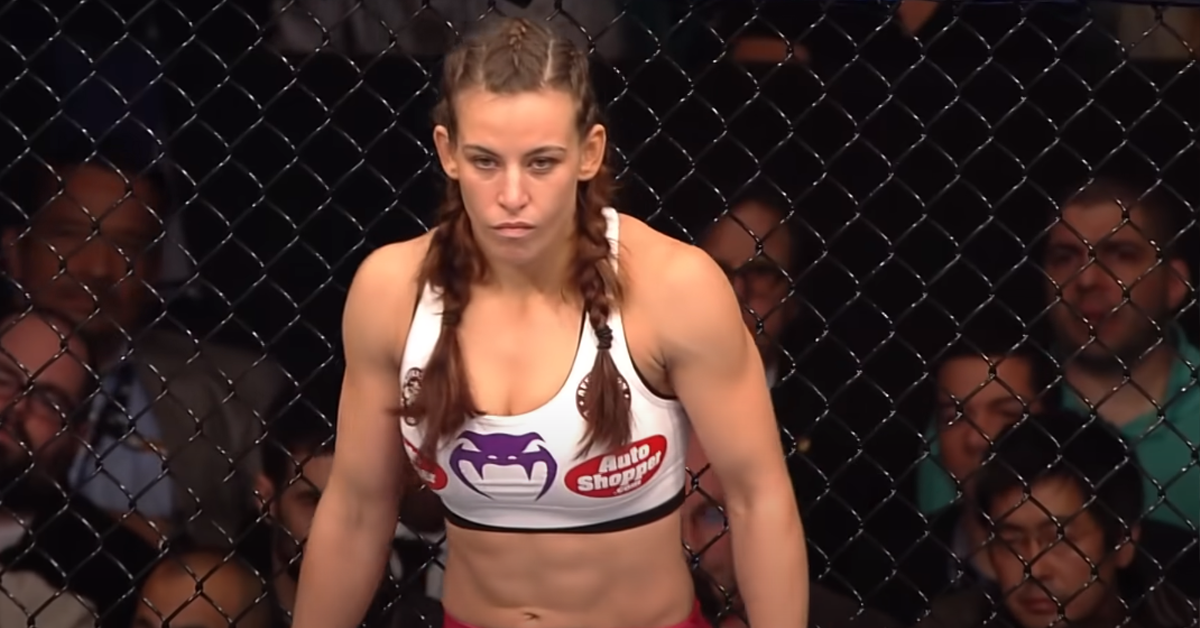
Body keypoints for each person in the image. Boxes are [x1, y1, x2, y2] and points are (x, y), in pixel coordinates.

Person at [293, 16, 805, 628]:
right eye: (486, 161)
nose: (512, 195)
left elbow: (758, 498)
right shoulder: (392, 293)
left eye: (541, 163)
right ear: (448, 152)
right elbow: (356, 510)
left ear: (589, 152)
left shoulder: (674, 288)